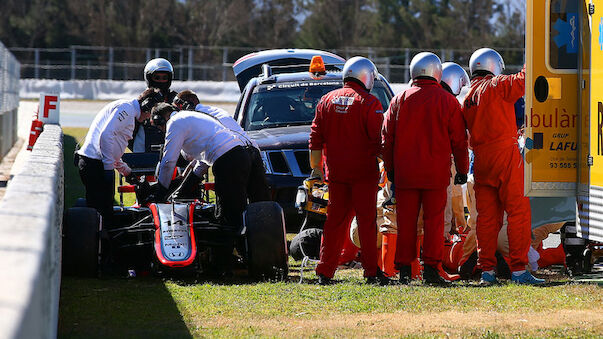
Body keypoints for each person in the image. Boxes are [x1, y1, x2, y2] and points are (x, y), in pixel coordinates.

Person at [382, 52, 469, 285]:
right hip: (436, 175)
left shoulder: (399, 100)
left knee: (406, 223)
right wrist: (462, 170)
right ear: (437, 72)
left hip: (405, 175)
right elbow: (460, 142)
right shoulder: (448, 101)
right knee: (434, 222)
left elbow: (386, 139)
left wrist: (390, 170)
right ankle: (431, 269)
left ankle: (405, 272)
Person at [462, 48, 544, 285]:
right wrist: (534, 53)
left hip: (480, 160)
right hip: (504, 155)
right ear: (493, 65)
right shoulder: (496, 85)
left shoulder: (468, 98)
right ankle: (519, 270)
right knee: (518, 211)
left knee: (486, 219)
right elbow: (524, 79)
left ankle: (487, 271)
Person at [309, 56, 390, 285]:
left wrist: (316, 168)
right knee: (366, 222)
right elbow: (378, 143)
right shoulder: (369, 103)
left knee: (334, 222)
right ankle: (371, 272)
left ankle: (325, 271)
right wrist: (393, 165)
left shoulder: (326, 100)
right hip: (363, 174)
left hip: (335, 173)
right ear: (366, 76)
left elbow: (315, 137)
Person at [76, 88, 163, 221]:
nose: (148, 118)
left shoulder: (127, 110)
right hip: (95, 165)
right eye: (149, 114)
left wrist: (127, 172)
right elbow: (106, 136)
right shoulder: (126, 110)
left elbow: (111, 150)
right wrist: (108, 168)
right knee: (101, 215)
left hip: (94, 163)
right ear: (147, 105)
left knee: (103, 213)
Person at [171, 90, 270, 202]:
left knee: (231, 206)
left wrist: (186, 185)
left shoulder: (199, 119)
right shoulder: (215, 110)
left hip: (234, 156)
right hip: (254, 152)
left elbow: (208, 154)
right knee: (260, 201)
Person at [132, 58, 178, 153]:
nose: (161, 81)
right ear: (149, 78)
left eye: (164, 78)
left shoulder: (175, 99)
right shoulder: (142, 100)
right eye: (157, 78)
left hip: (171, 150)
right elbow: (128, 130)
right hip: (144, 151)